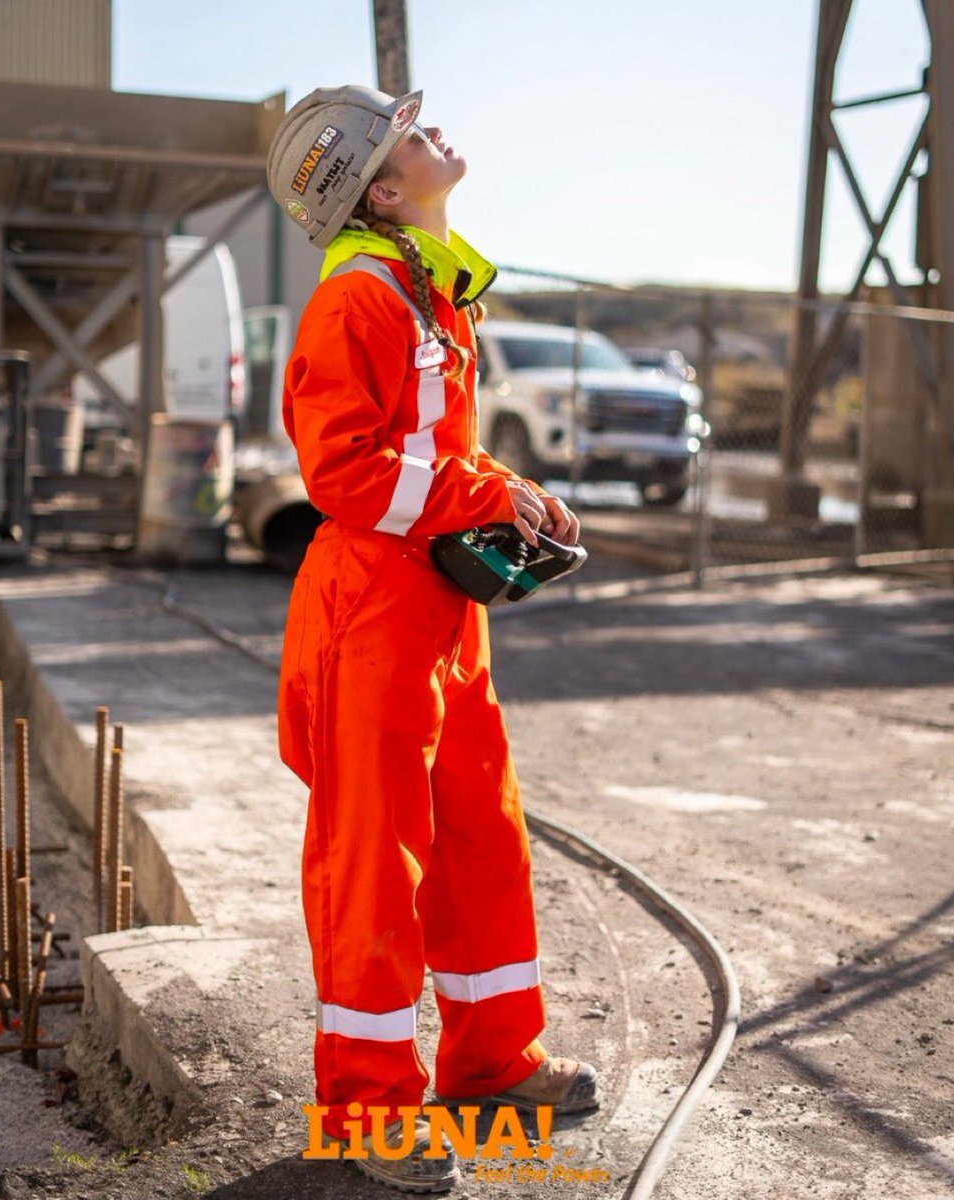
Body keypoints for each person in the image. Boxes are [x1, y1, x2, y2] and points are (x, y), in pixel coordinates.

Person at [268, 84, 600, 1193]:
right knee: (375, 862)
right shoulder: (357, 301)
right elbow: (343, 472)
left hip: (439, 612)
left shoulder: (428, 295)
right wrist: (485, 494)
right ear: (379, 190)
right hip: (369, 611)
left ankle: (492, 1062)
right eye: (408, 133)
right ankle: (366, 1111)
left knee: (477, 838)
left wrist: (517, 492)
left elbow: (435, 455)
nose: (435, 132)